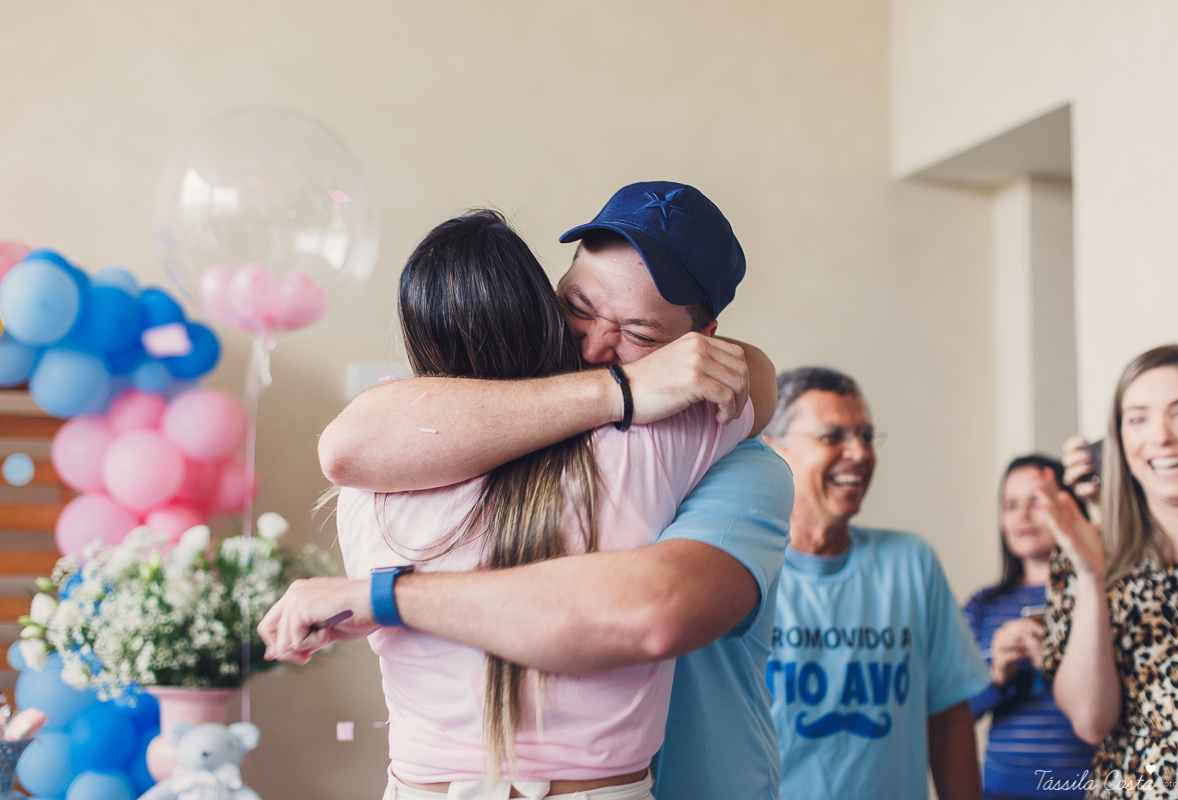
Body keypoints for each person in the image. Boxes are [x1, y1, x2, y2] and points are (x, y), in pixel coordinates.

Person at [260, 182, 794, 800]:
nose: (596, 348)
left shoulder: (383, 478)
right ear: (547, 297)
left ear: (700, 348)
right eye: (578, 306)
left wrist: (384, 596)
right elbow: (346, 447)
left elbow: (653, 612)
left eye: (642, 339)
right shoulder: (633, 443)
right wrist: (624, 391)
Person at [762, 366, 991, 800]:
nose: (860, 453)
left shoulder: (911, 563)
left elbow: (948, 721)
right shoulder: (739, 573)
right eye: (833, 436)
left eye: (866, 436)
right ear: (773, 454)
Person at [1038, 343, 1178, 799]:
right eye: (1138, 418)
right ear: (1118, 442)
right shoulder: (1086, 553)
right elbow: (1090, 719)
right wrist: (1091, 578)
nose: (1161, 436)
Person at [963, 455, 1094, 799]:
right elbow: (953, 712)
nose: (1022, 515)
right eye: (1011, 504)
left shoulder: (1095, 599)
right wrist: (996, 674)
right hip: (998, 790)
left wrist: (1057, 666)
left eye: (1036, 501)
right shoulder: (982, 606)